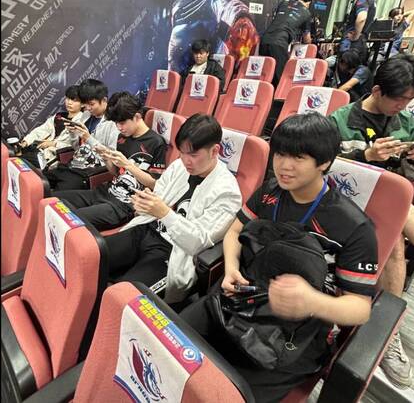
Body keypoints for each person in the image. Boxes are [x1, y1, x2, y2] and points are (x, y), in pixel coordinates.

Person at [181, 113, 378, 401]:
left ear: (324, 162)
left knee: (222, 395)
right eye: (280, 154)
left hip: (295, 332)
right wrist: (232, 267)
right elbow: (235, 231)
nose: (284, 166)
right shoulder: (270, 192)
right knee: (168, 346)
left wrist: (312, 301)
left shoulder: (353, 226)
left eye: (298, 157)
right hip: (241, 300)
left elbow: (360, 308)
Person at [330, 54, 414, 388]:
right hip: (346, 201)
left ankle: (387, 330)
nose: (403, 107)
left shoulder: (405, 122)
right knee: (402, 233)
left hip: (387, 206)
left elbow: (406, 180)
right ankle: (387, 329)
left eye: (410, 101)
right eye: (399, 99)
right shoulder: (341, 120)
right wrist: (366, 156)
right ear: (376, 90)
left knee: (396, 238)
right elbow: (322, 168)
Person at [105, 114, 242, 304]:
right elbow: (159, 195)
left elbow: (197, 242)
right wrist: (144, 204)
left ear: (215, 151)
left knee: (122, 299)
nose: (185, 160)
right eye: (182, 153)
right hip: (146, 228)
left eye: (193, 155)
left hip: (173, 252)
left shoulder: (228, 192)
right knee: (91, 258)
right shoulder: (179, 166)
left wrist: (164, 213)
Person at [54, 92, 167, 231]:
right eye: (116, 123)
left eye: (122, 123)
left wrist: (127, 165)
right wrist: (106, 158)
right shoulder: (122, 138)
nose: (119, 127)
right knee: (55, 200)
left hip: (123, 205)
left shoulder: (156, 142)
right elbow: (115, 173)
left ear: (137, 117)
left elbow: (156, 184)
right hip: (105, 192)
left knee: (70, 220)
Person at [46, 79, 119, 191]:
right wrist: (72, 133)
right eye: (86, 104)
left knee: (56, 193)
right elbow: (77, 148)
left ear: (104, 100)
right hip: (73, 165)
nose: (88, 108)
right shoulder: (86, 115)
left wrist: (88, 138)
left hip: (89, 172)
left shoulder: (114, 123)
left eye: (92, 104)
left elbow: (112, 158)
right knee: (41, 181)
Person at [18, 85, 83, 169]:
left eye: (74, 100)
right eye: (68, 98)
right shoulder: (59, 116)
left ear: (83, 104)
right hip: (40, 149)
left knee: (19, 160)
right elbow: (42, 130)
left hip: (53, 158)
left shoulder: (82, 122)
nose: (69, 102)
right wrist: (26, 141)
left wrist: (53, 143)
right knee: (17, 150)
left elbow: (75, 148)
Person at [260, 0, 313, 85]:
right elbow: (307, 39)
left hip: (264, 39)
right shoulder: (306, 12)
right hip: (279, 43)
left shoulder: (283, 3)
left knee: (264, 75)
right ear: (308, 3)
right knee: (280, 80)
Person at [340, 0, 376, 65]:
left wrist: (355, 36)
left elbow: (361, 19)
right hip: (360, 42)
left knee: (344, 68)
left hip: (352, 44)